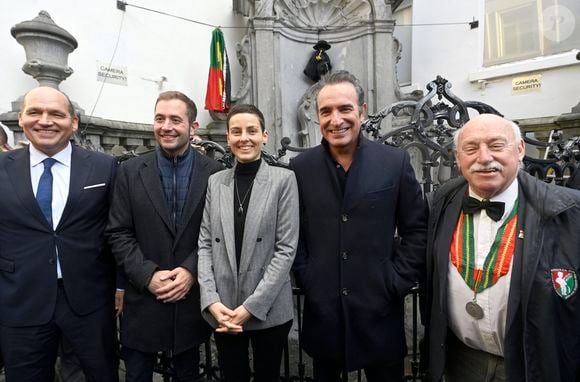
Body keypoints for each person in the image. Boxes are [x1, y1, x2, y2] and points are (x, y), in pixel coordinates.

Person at [290, 70, 427, 381]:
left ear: (362, 111)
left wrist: (396, 280)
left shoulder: (394, 162)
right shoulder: (300, 168)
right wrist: (308, 277)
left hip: (380, 312)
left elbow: (417, 230)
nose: (335, 119)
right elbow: (292, 233)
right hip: (324, 313)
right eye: (326, 111)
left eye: (345, 109)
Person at [425, 113, 580, 381]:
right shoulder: (441, 203)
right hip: (461, 362)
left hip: (530, 364)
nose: (484, 158)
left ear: (520, 150)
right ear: (457, 156)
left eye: (496, 145)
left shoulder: (570, 211)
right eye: (471, 148)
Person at [0, 86, 118, 381]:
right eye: (35, 112)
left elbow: (118, 230)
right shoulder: (2, 168)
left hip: (89, 300)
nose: (45, 121)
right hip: (20, 299)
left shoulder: (104, 168)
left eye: (55, 113)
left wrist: (122, 287)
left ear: (73, 122)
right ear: (21, 118)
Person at [106, 91, 223, 382]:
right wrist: (148, 275)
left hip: (190, 301)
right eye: (160, 119)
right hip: (143, 299)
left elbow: (218, 233)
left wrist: (190, 271)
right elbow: (118, 232)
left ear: (193, 127)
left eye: (175, 119)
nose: (166, 126)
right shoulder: (130, 172)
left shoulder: (215, 173)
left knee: (188, 375)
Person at [197, 104, 299, 382]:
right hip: (224, 309)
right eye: (236, 131)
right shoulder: (215, 182)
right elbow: (205, 243)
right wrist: (210, 301)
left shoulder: (283, 180)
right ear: (228, 138)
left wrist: (251, 308)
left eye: (252, 131)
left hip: (268, 310)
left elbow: (286, 249)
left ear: (264, 135)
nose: (245, 138)